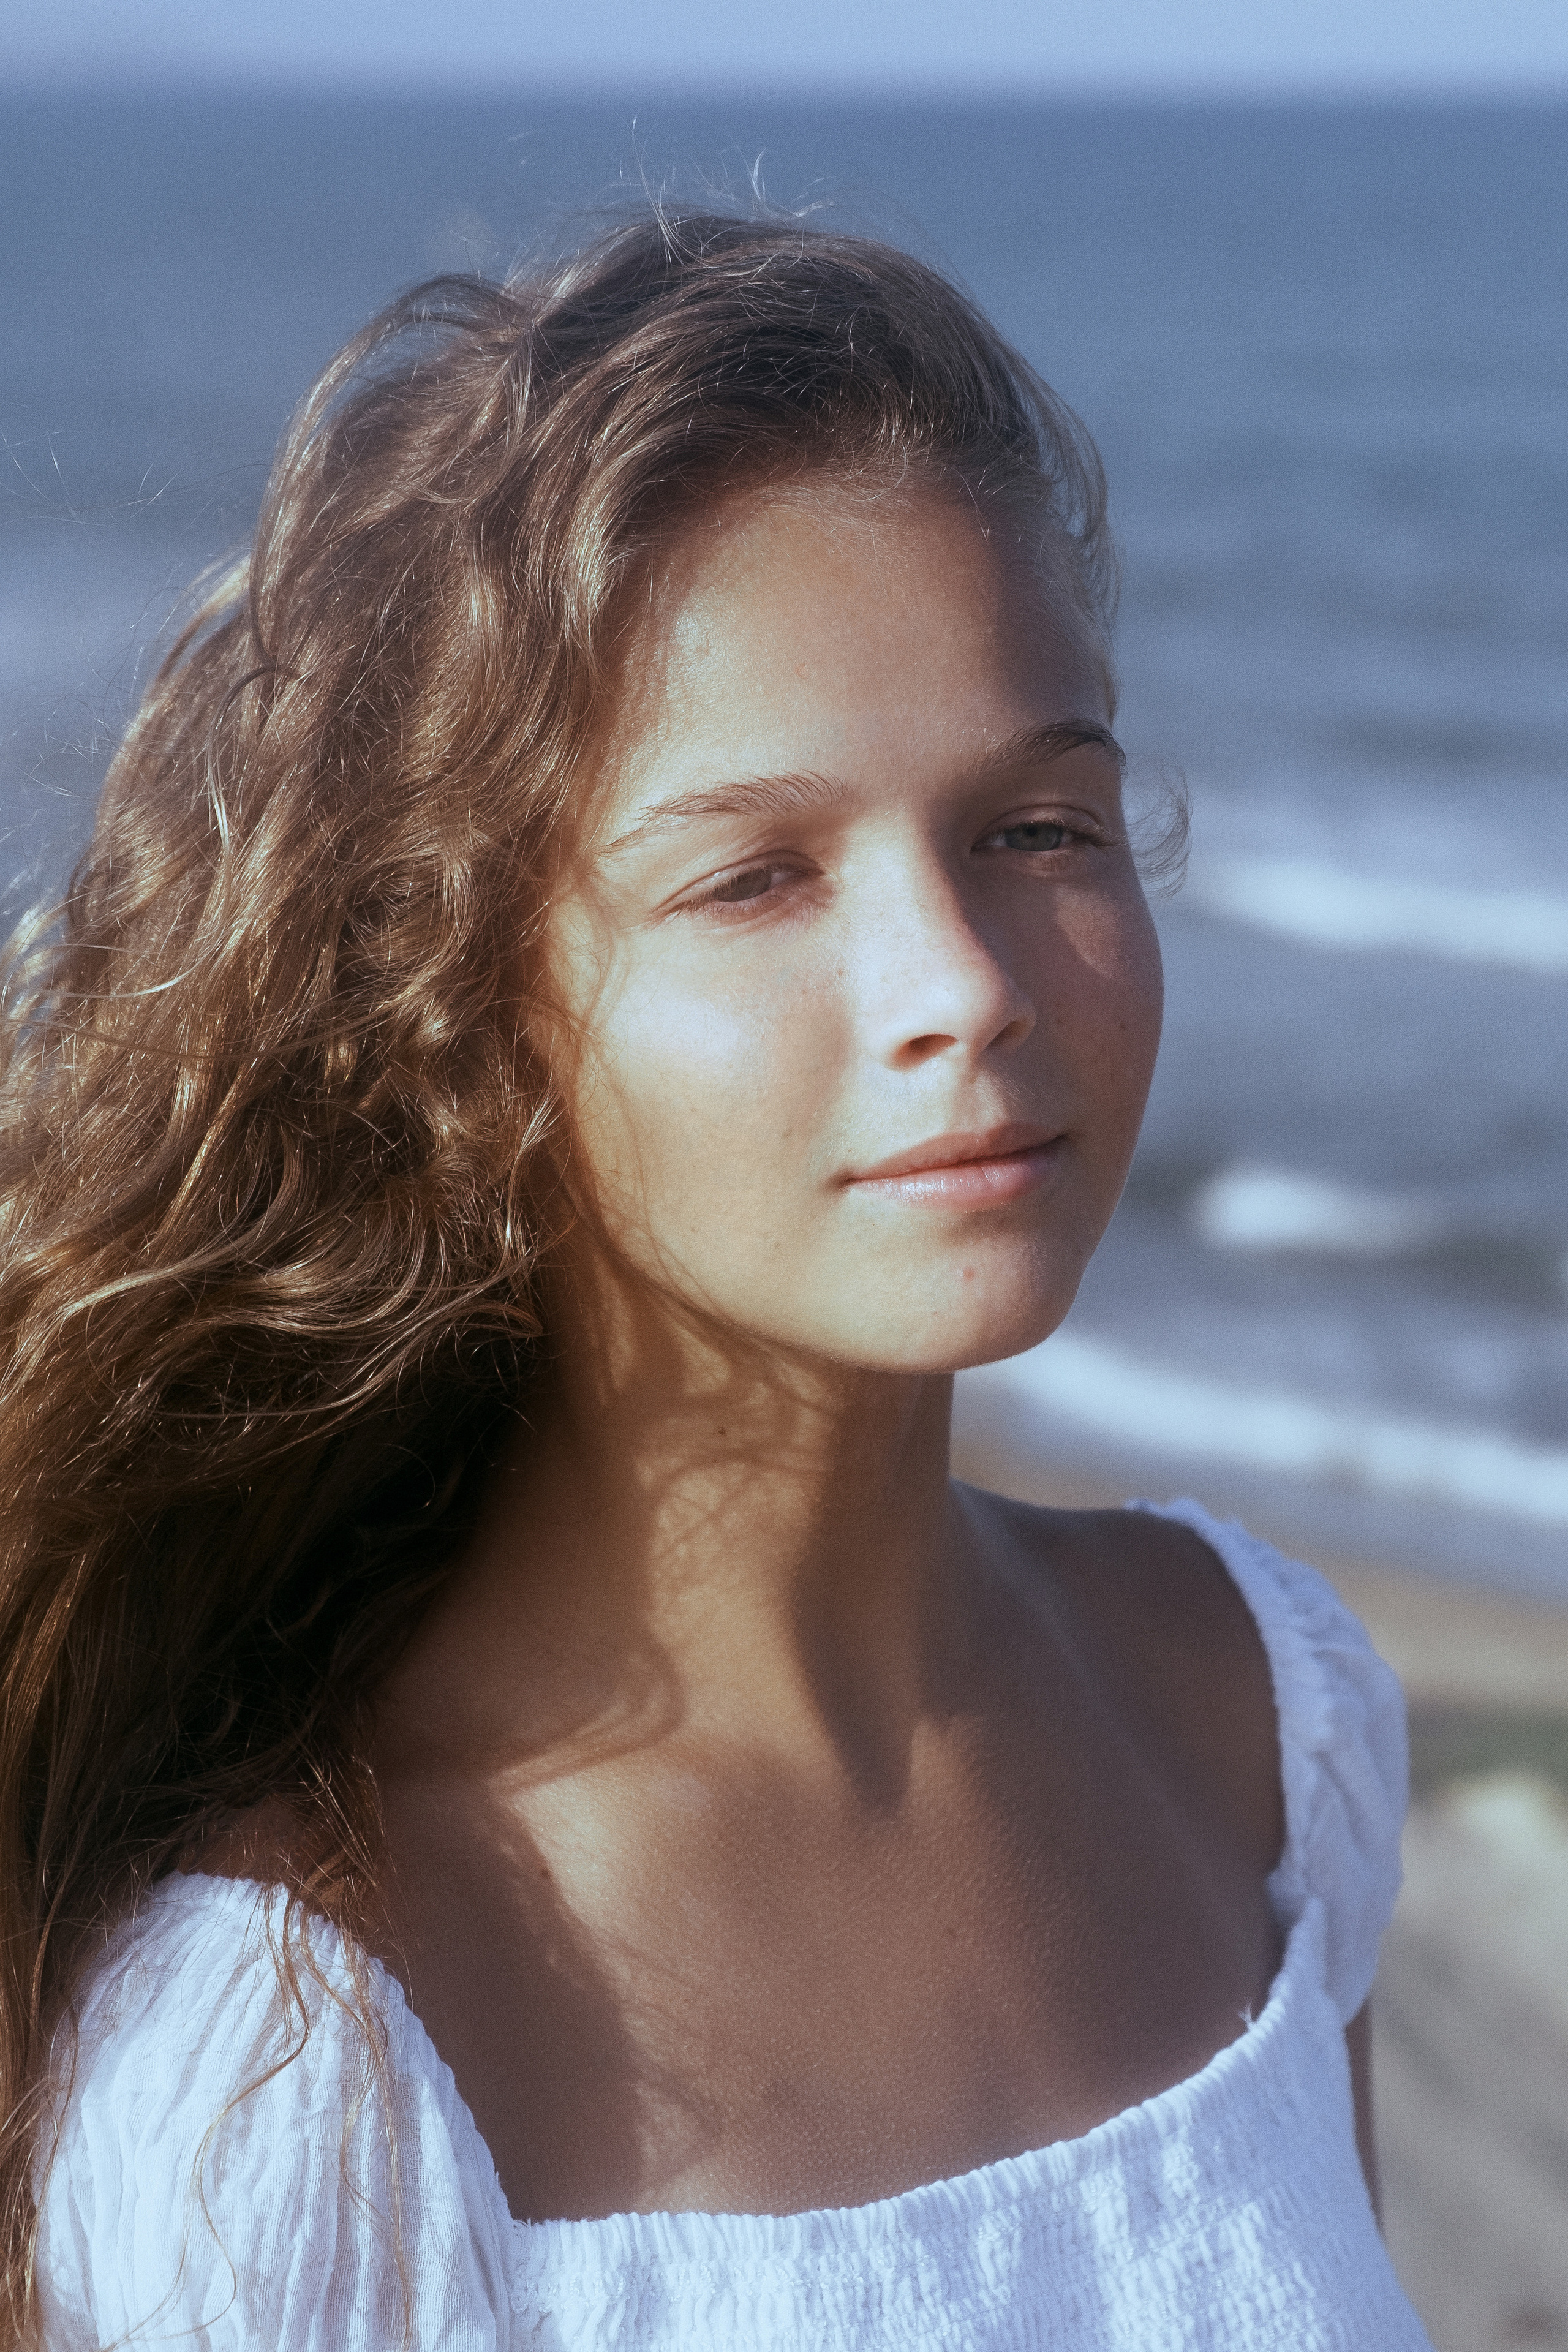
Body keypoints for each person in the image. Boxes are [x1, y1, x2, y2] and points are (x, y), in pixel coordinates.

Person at [0, 209, 1430, 2349]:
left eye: (1039, 828)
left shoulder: (1257, 1715)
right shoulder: (309, 2043)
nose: (961, 983)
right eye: (756, 875)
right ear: (475, 1021)